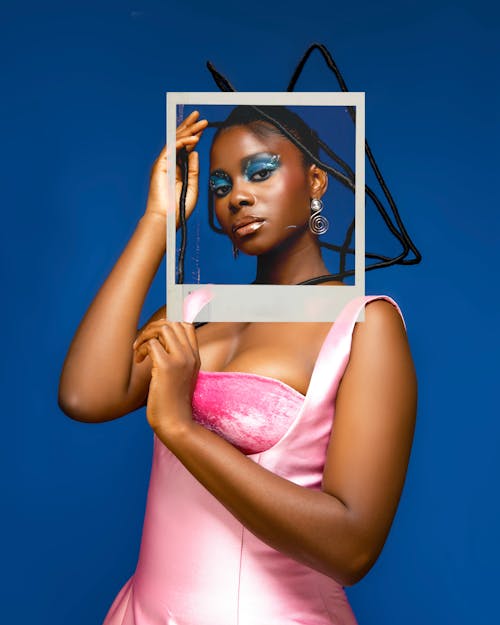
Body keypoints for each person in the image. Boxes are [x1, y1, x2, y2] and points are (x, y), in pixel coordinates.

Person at [58, 106, 417, 625]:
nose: (237, 197)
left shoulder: (364, 325)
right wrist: (157, 221)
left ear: (315, 180)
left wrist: (181, 427)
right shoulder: (196, 310)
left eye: (260, 171)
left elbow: (351, 549)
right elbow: (84, 397)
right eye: (221, 185)